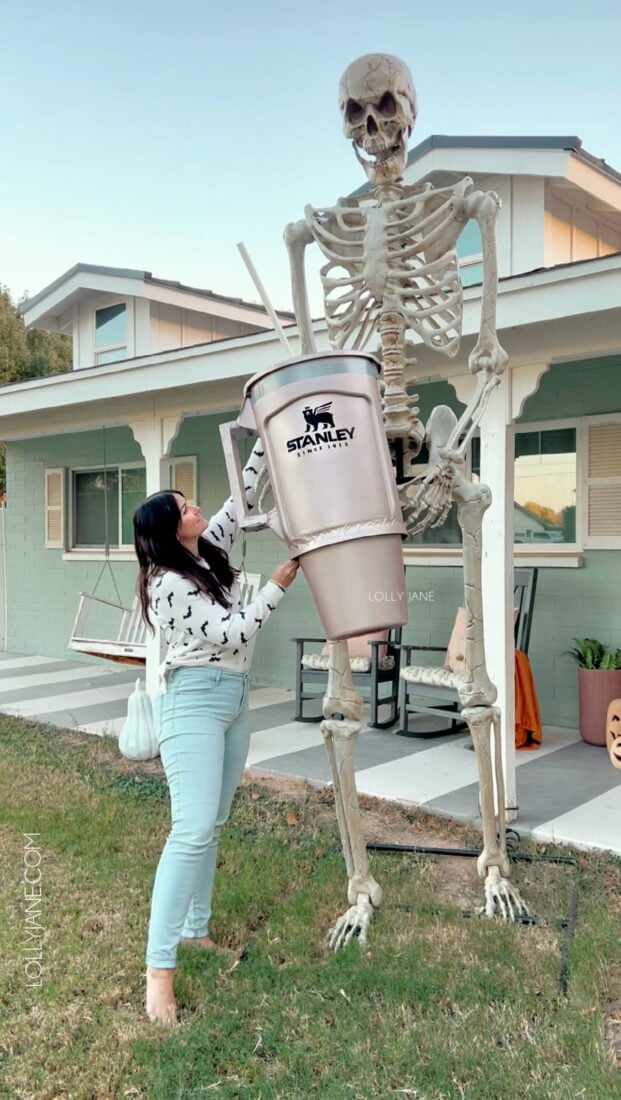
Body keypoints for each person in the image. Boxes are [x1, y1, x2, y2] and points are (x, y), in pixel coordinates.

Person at [133, 441, 298, 1026]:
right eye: (184, 507)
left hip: (233, 702)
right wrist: (277, 584)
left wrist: (263, 436)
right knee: (192, 829)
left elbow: (244, 493)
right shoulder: (167, 583)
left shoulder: (202, 553)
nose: (197, 508)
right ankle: (159, 972)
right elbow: (233, 631)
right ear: (165, 530)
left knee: (214, 825)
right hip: (194, 705)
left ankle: (196, 932)